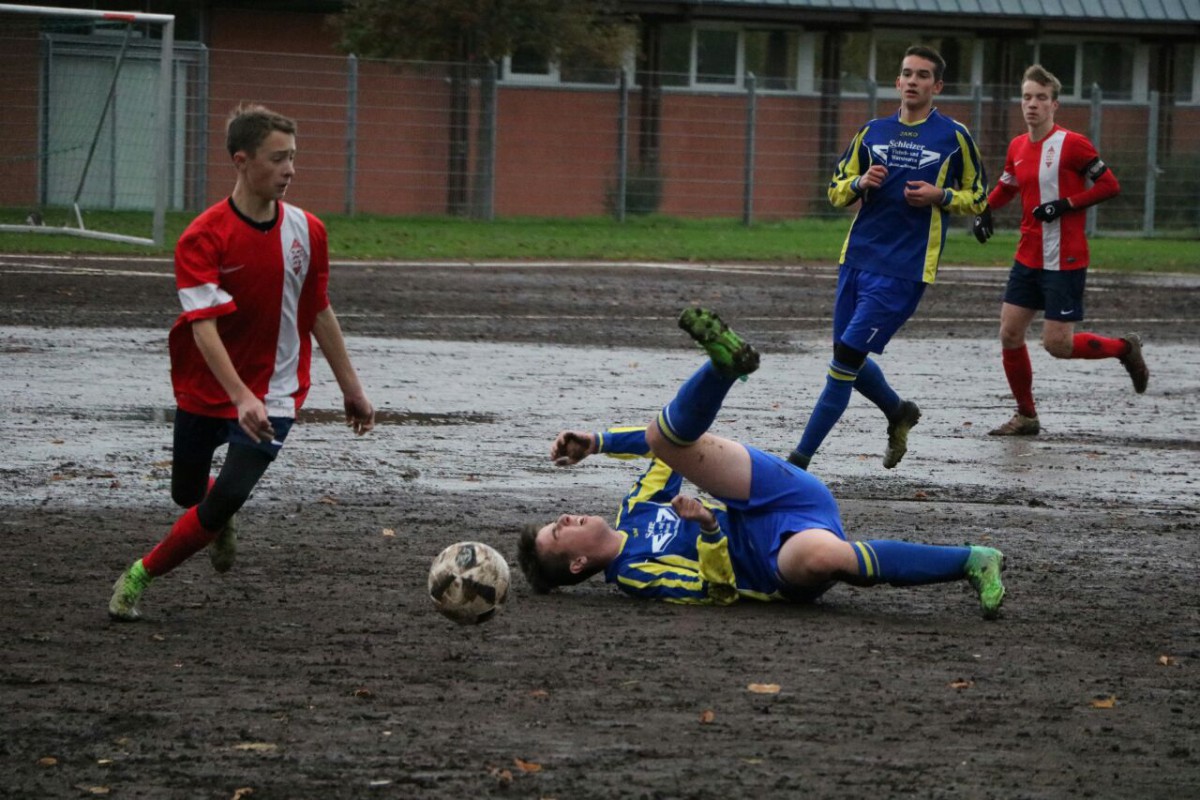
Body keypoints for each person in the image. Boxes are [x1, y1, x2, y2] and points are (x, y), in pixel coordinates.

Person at [517, 308, 1006, 619]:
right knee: (826, 558)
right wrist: (708, 527)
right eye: (557, 533)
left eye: (555, 521)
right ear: (579, 563)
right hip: (776, 560)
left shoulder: (637, 509)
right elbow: (718, 594)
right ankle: (970, 560)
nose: (563, 518)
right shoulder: (634, 574)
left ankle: (723, 366)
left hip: (778, 497)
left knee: (662, 437)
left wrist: (596, 442)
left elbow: (658, 449)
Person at [108, 104, 375, 621]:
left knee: (225, 493)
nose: (290, 170)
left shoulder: (308, 231)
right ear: (241, 160)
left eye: (293, 158)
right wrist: (238, 396)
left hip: (275, 392)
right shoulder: (202, 237)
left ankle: (139, 575)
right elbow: (203, 327)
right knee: (187, 492)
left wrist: (352, 387)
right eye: (278, 159)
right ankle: (217, 517)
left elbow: (317, 308)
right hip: (207, 387)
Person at [787, 45, 989, 472]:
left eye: (922, 75)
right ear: (897, 83)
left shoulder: (953, 136)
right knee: (850, 358)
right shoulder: (872, 132)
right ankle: (898, 411)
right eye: (906, 74)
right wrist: (860, 182)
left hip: (904, 270)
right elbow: (835, 190)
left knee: (842, 365)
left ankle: (796, 462)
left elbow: (979, 198)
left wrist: (942, 196)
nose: (912, 81)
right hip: (857, 259)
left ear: (937, 86)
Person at [973, 65, 1147, 436]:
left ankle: (1123, 348)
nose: (1031, 104)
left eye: (1040, 98)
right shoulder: (1018, 145)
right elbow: (1006, 187)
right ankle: (1026, 416)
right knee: (1009, 333)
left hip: (1064, 259)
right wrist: (984, 209)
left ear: (1055, 104)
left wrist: (1065, 204)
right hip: (1027, 255)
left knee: (1058, 345)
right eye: (1026, 97)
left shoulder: (1073, 144)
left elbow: (1109, 185)